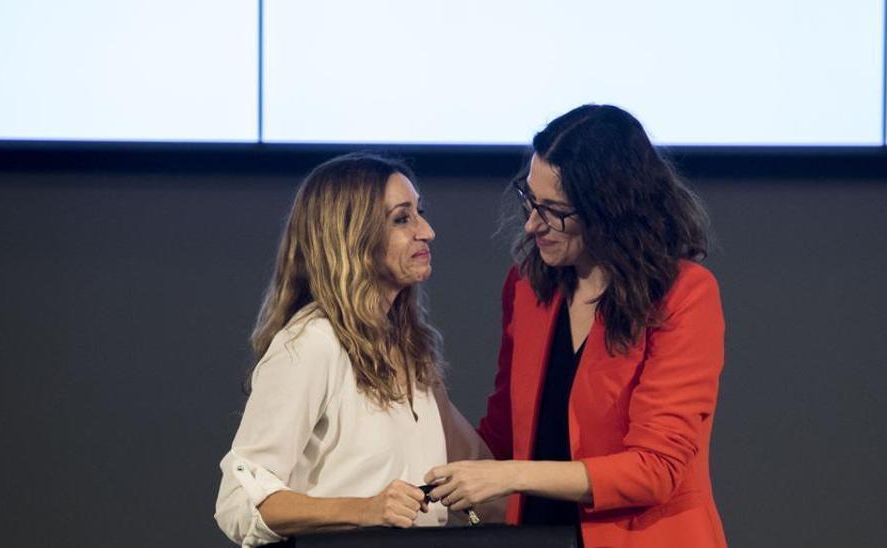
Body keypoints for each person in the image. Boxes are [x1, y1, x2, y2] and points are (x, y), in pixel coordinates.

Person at [425, 105, 727, 547]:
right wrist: (424, 389)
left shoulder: (685, 294)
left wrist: (509, 476)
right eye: (529, 200)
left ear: (611, 211)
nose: (531, 224)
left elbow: (655, 470)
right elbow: (504, 437)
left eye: (554, 211)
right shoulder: (527, 287)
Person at [214, 153, 490, 546]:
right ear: (352, 235)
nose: (426, 231)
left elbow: (482, 474)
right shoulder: (312, 342)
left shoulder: (411, 351)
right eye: (402, 218)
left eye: (419, 212)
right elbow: (239, 502)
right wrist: (365, 510)